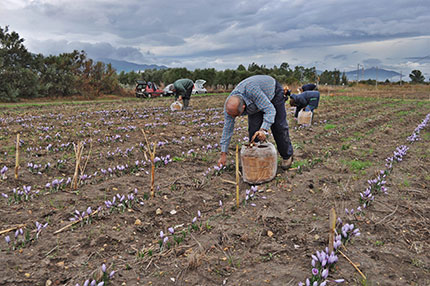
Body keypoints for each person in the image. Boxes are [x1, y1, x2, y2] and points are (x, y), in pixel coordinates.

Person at [217, 75, 294, 170]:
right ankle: (257, 160)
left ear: (243, 108)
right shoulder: (230, 106)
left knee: (279, 126)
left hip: (272, 93)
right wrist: (223, 153)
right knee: (254, 131)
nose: (234, 118)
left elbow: (270, 110)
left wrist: (263, 129)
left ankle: (287, 155)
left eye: (237, 115)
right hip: (254, 101)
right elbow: (227, 129)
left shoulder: (252, 91)